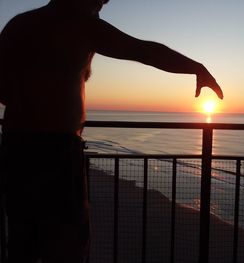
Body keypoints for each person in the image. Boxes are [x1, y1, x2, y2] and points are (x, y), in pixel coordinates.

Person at [0, 0, 223, 262]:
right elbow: (146, 51)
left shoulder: (19, 24)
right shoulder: (81, 24)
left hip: (16, 146)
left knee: (23, 241)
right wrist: (196, 67)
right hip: (57, 151)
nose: (102, 4)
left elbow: (2, 90)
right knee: (67, 246)